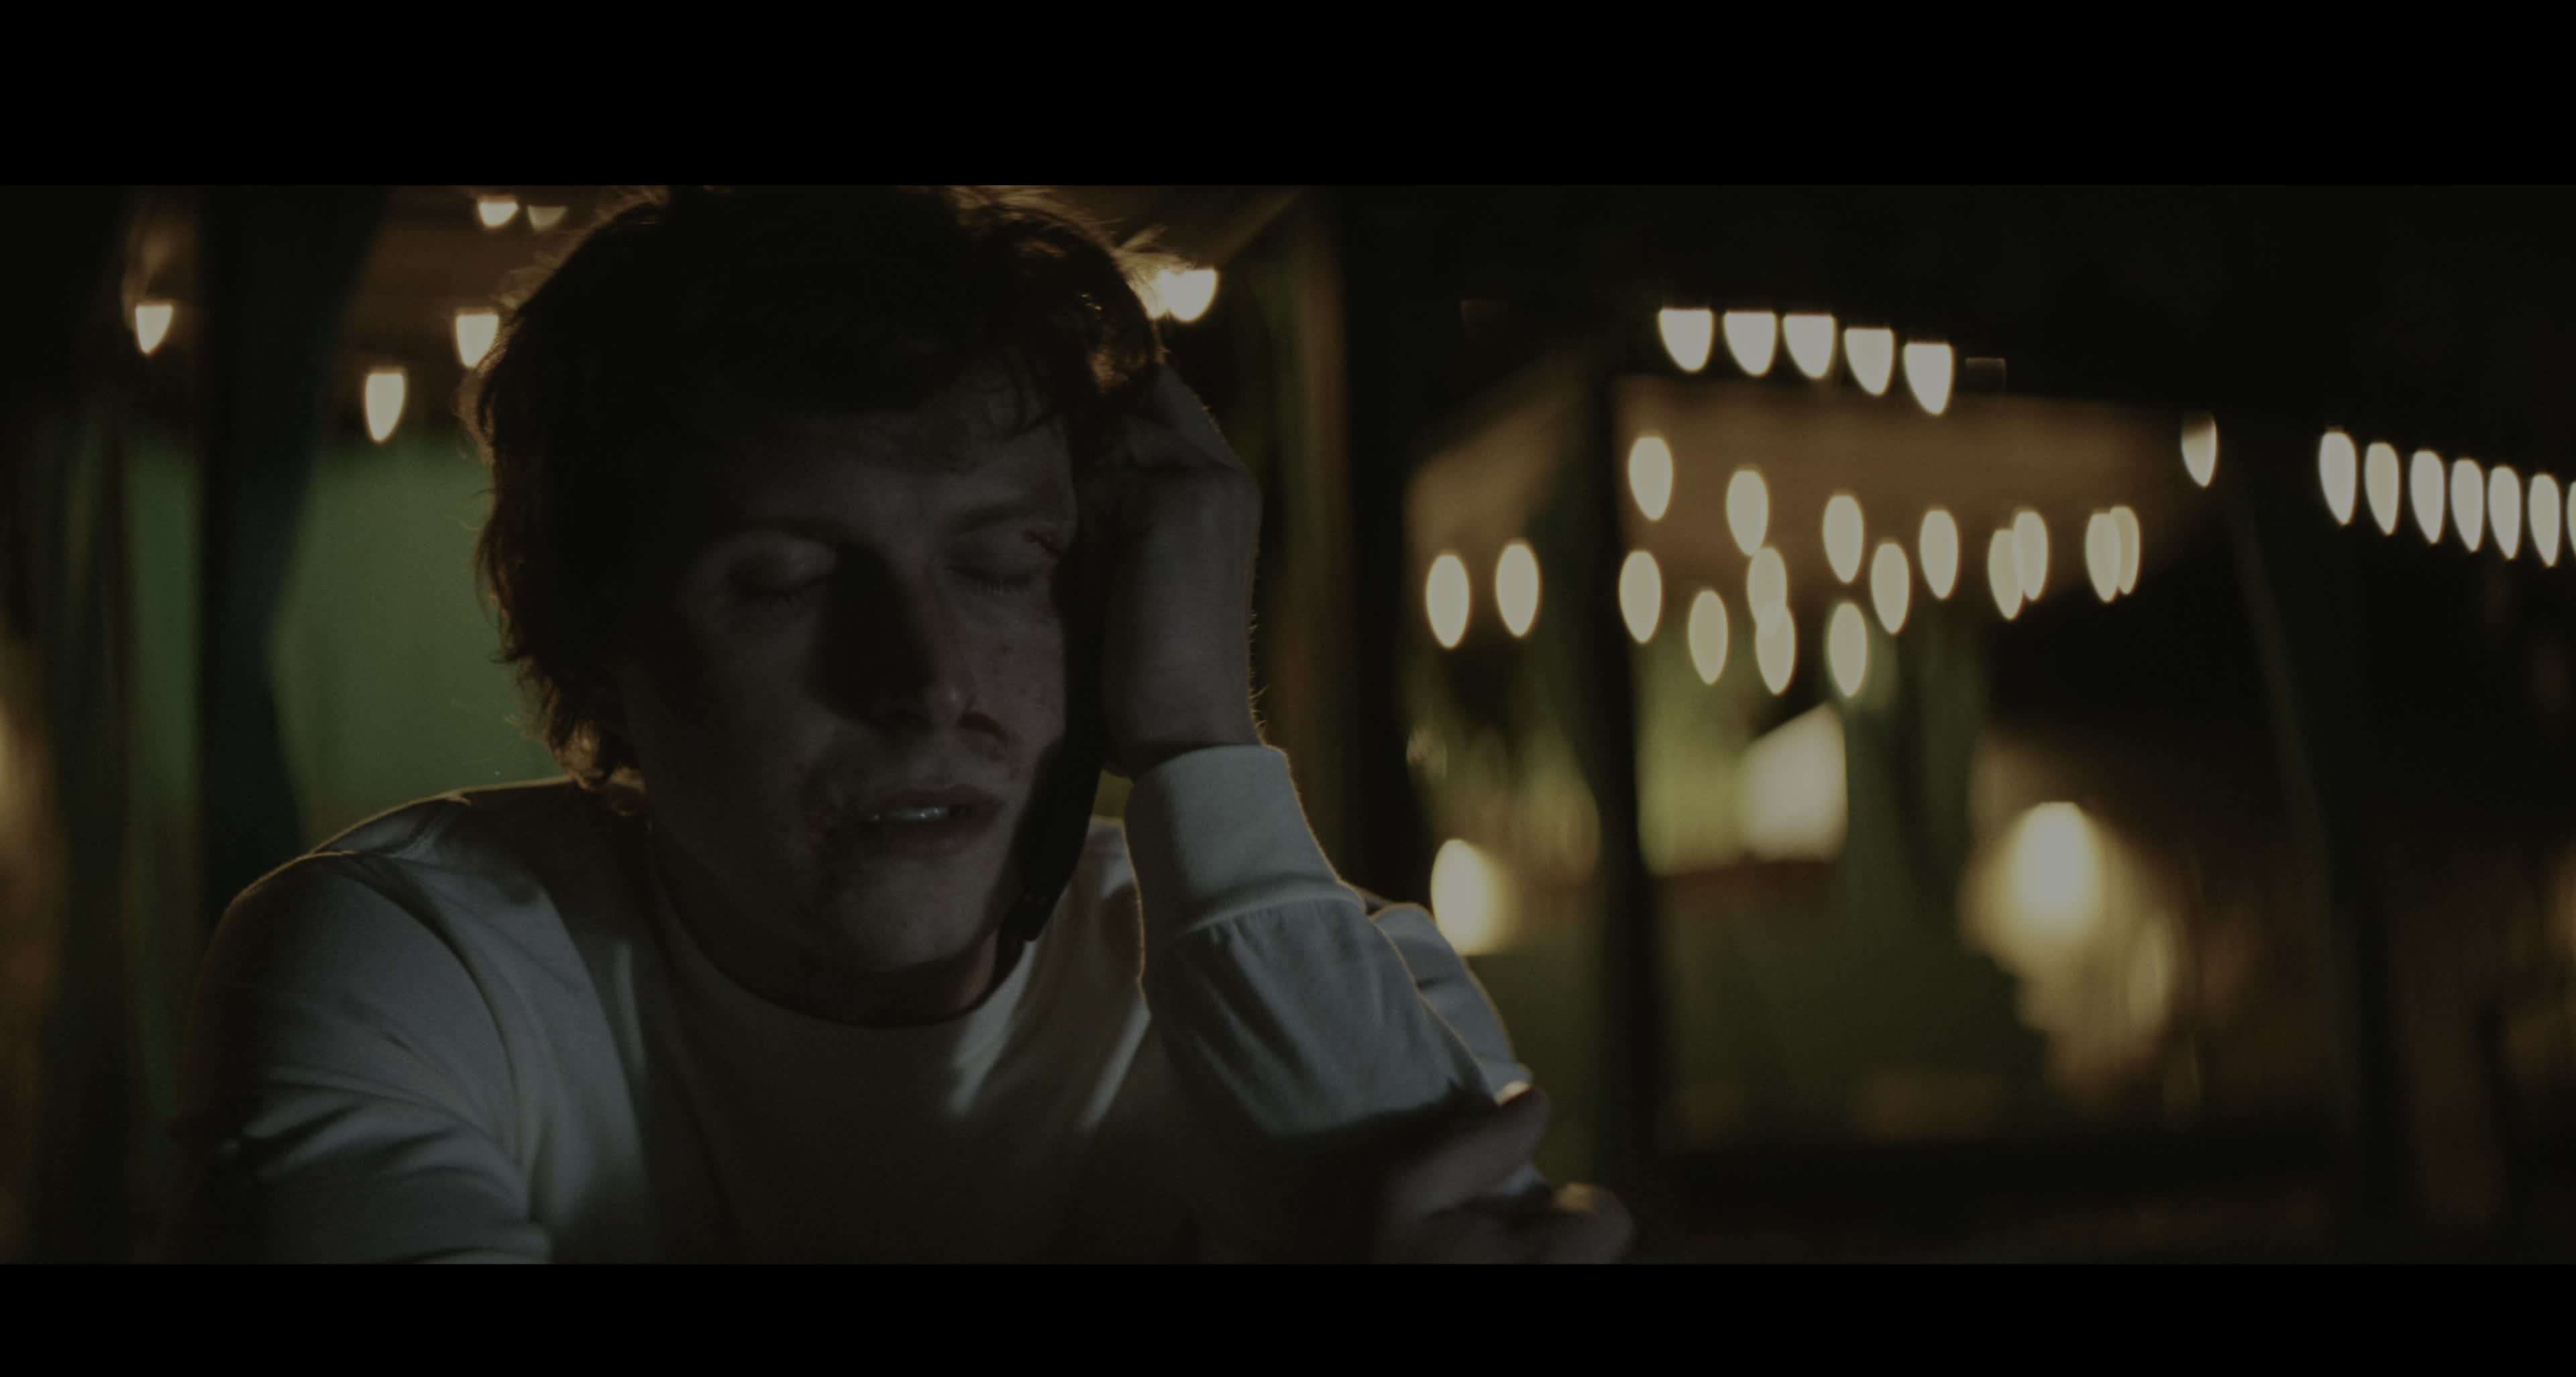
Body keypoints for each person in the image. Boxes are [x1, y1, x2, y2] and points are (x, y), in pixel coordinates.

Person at [157, 185, 1632, 1263]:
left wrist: (1196, 727)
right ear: (601, 653)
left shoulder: (1330, 978)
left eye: (1004, 568)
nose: (924, 681)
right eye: (787, 580)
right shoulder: (415, 962)